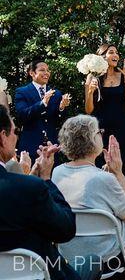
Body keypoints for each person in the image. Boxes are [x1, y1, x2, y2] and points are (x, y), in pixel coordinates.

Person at [53, 115, 125, 280]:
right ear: (89, 140)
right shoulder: (103, 178)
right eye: (98, 132)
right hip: (107, 254)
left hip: (68, 252)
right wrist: (118, 173)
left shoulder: (57, 172)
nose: (101, 134)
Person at [0, 105, 101, 280]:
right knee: (92, 261)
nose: (16, 136)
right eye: (14, 131)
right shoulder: (30, 189)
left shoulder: (25, 187)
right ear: (2, 137)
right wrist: (45, 178)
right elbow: (65, 230)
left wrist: (30, 177)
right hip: (41, 274)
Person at [85, 44, 125, 171]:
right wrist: (91, 92)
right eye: (111, 52)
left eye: (116, 52)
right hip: (100, 126)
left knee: (119, 161)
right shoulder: (92, 77)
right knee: (99, 162)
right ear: (102, 57)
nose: (116, 55)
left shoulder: (123, 75)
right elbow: (88, 110)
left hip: (120, 125)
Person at [15, 60, 71, 157]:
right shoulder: (22, 92)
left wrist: (62, 107)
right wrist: (43, 103)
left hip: (52, 145)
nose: (46, 73)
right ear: (32, 73)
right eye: (42, 70)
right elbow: (22, 116)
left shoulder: (56, 93)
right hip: (30, 145)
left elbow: (59, 121)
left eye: (48, 70)